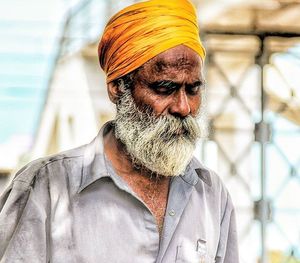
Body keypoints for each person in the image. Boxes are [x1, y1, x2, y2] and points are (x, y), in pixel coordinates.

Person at [0, 0, 239, 262]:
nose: (183, 107)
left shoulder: (211, 195)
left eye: (193, 89)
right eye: (164, 88)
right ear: (117, 88)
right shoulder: (45, 188)